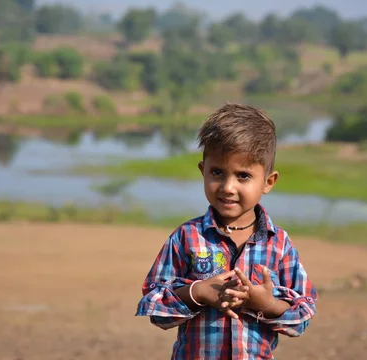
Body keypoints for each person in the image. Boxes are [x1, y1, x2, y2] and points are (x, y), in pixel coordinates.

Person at [135, 103, 317, 359]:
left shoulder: (279, 244)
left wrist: (265, 303)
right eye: (217, 172)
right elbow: (155, 308)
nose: (228, 187)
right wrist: (197, 292)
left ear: (268, 182)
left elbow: (302, 317)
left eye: (243, 176)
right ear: (203, 171)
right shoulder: (187, 237)